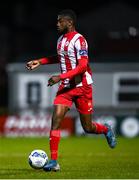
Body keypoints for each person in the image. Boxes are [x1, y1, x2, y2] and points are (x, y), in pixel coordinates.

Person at [26, 9, 117, 172]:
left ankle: (105, 129)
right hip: (66, 88)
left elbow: (82, 66)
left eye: (60, 21)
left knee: (88, 128)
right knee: (56, 120)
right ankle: (54, 162)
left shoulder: (80, 40)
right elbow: (60, 58)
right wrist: (40, 61)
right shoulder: (60, 39)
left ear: (70, 22)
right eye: (57, 21)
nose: (57, 24)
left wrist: (60, 77)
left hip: (82, 87)